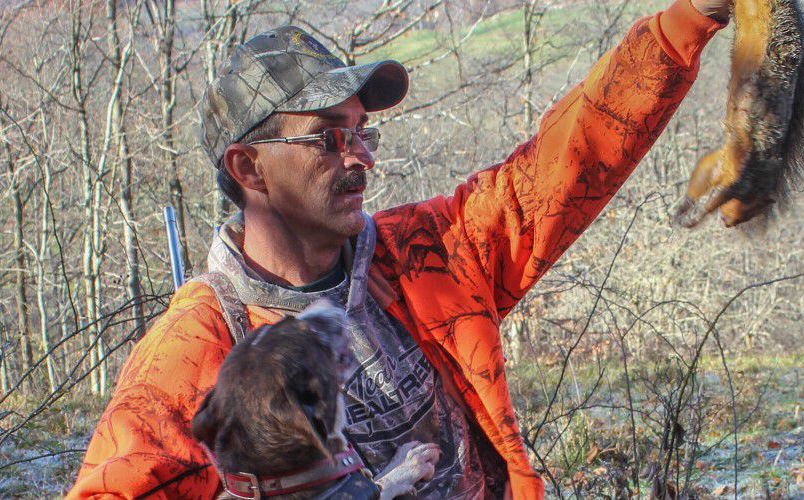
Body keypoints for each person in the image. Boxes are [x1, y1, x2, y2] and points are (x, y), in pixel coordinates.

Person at [68, 0, 732, 497]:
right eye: (331, 138)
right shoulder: (197, 351)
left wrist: (688, 20)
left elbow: (566, 165)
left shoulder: (419, 256)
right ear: (248, 168)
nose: (361, 161)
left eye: (363, 136)